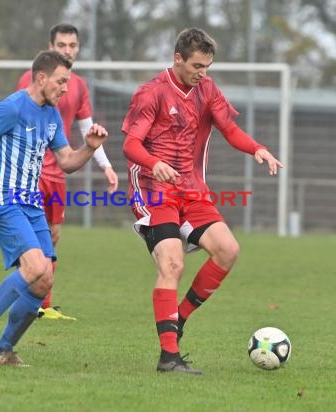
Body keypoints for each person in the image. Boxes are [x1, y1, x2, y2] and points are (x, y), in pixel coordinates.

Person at [121, 28, 283, 375]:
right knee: (173, 265)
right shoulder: (151, 92)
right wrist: (155, 163)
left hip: (192, 189)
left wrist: (258, 149)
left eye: (207, 66)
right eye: (197, 65)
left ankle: (176, 319)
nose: (202, 73)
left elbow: (230, 130)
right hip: (153, 189)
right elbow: (131, 145)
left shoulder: (207, 90)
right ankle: (169, 357)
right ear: (177, 58)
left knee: (228, 250)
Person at [0, 50, 108, 366]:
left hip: (32, 204)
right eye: (61, 81)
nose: (66, 88)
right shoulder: (14, 107)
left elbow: (67, 161)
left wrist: (90, 149)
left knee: (44, 280)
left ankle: (4, 350)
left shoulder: (52, 114)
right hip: (3, 199)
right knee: (35, 268)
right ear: (41, 78)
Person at [17, 23, 119, 320]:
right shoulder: (30, 78)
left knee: (53, 236)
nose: (67, 50)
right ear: (50, 45)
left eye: (72, 45)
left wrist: (106, 165)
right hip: (31, 171)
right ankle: (27, 300)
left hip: (59, 171)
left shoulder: (79, 85)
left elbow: (88, 129)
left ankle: (44, 305)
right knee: (31, 239)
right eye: (61, 45)